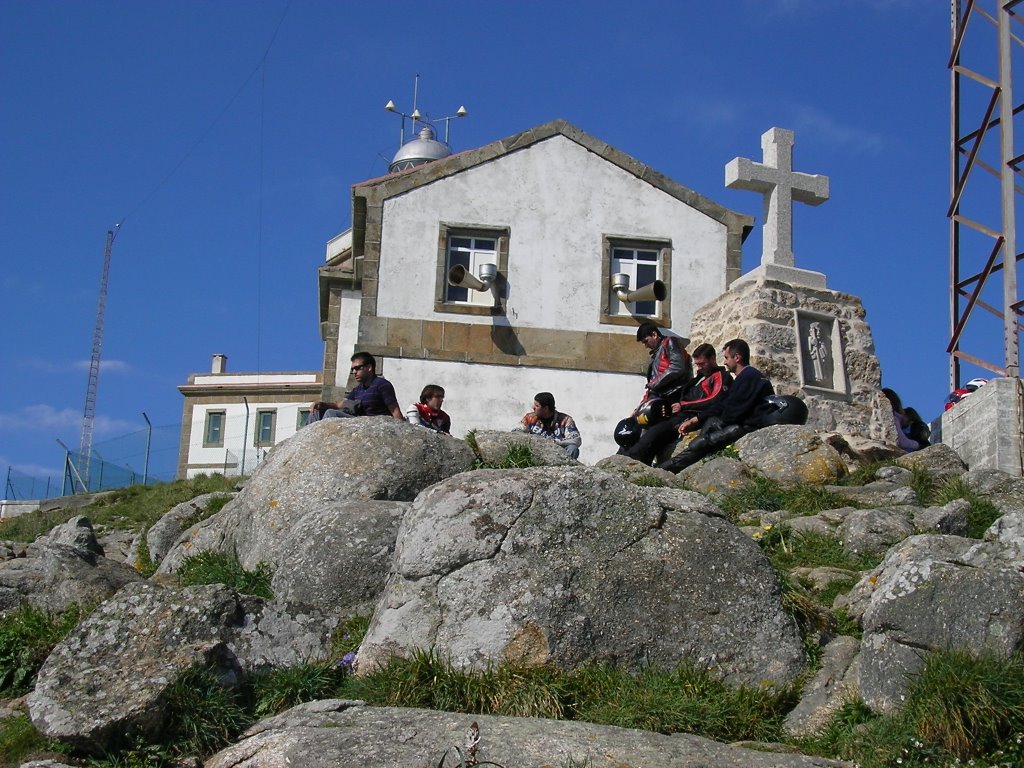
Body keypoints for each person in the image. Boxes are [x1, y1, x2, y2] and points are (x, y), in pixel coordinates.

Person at [656, 339, 774, 473]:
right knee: (710, 422)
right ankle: (671, 466)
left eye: (726, 358)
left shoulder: (750, 377)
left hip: (747, 426)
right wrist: (697, 419)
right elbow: (723, 404)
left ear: (737, 357)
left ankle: (668, 468)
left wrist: (717, 419)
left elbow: (734, 413)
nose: (724, 362)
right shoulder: (744, 377)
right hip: (738, 423)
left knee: (701, 442)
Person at [623, 343, 732, 466]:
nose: (700, 368)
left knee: (655, 432)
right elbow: (682, 396)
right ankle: (627, 456)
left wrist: (683, 406)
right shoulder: (699, 378)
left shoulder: (721, 376)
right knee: (643, 425)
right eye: (697, 365)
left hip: (691, 416)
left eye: (702, 364)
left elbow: (715, 399)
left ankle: (631, 461)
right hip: (679, 413)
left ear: (712, 359)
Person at [308, 351, 404, 422]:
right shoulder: (357, 389)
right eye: (353, 369)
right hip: (358, 421)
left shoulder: (382, 385)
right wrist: (321, 404)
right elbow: (339, 405)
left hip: (373, 424)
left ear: (369, 368)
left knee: (330, 414)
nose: (354, 372)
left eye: (357, 368)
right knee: (316, 412)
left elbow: (395, 410)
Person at [636, 322, 693, 405]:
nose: (646, 346)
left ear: (654, 335)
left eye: (646, 341)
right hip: (663, 394)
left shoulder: (670, 342)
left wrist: (654, 384)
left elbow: (677, 367)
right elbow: (654, 379)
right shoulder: (656, 354)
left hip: (674, 393)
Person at [514, 392, 582, 459]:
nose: (533, 407)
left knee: (573, 448)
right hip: (535, 451)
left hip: (558, 452)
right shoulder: (529, 418)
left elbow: (576, 439)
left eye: (537, 406)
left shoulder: (565, 420)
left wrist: (556, 442)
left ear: (546, 408)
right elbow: (516, 431)